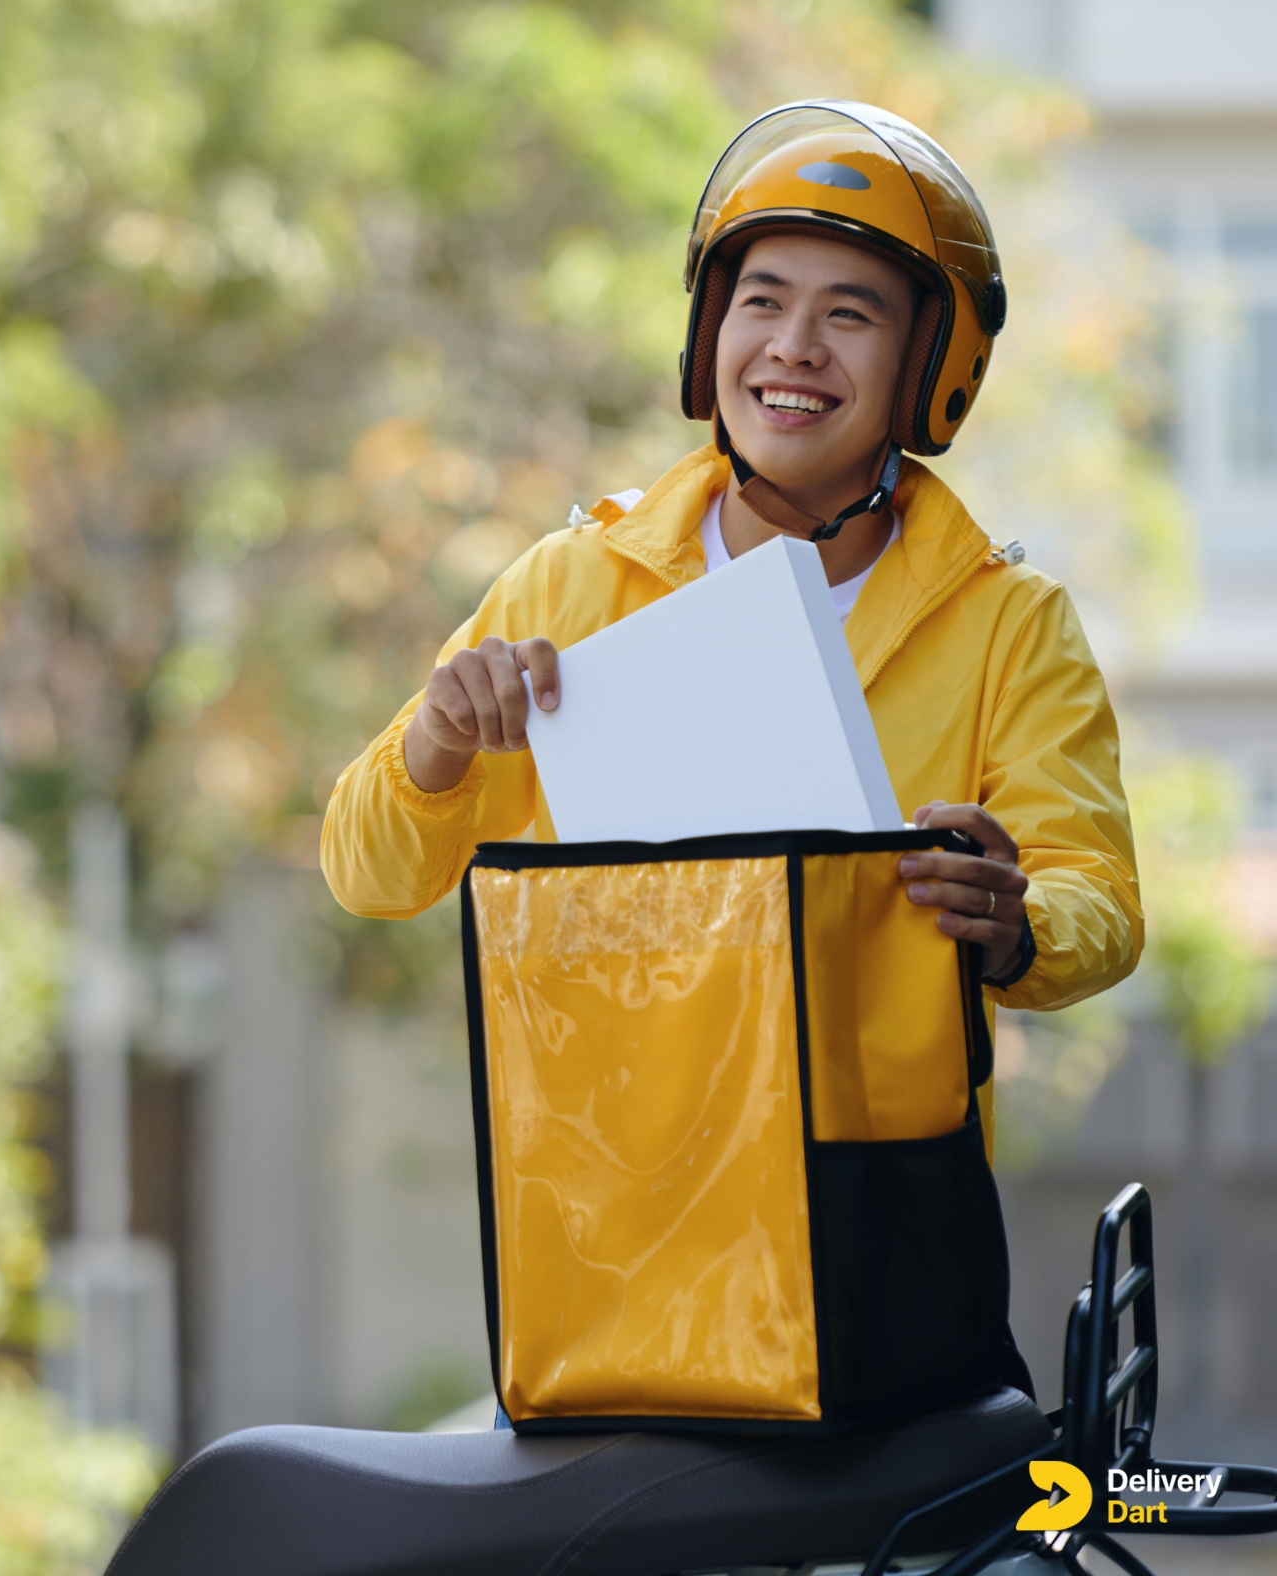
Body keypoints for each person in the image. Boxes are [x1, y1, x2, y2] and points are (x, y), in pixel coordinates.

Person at [320, 101, 1142, 1098]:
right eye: (760, 302)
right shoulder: (567, 583)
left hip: (873, 1203)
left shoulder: (1008, 624)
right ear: (709, 329)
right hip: (594, 1206)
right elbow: (368, 873)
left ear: (932, 364)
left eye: (848, 314)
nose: (791, 346)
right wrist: (439, 740)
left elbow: (1095, 897)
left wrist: (1014, 925)